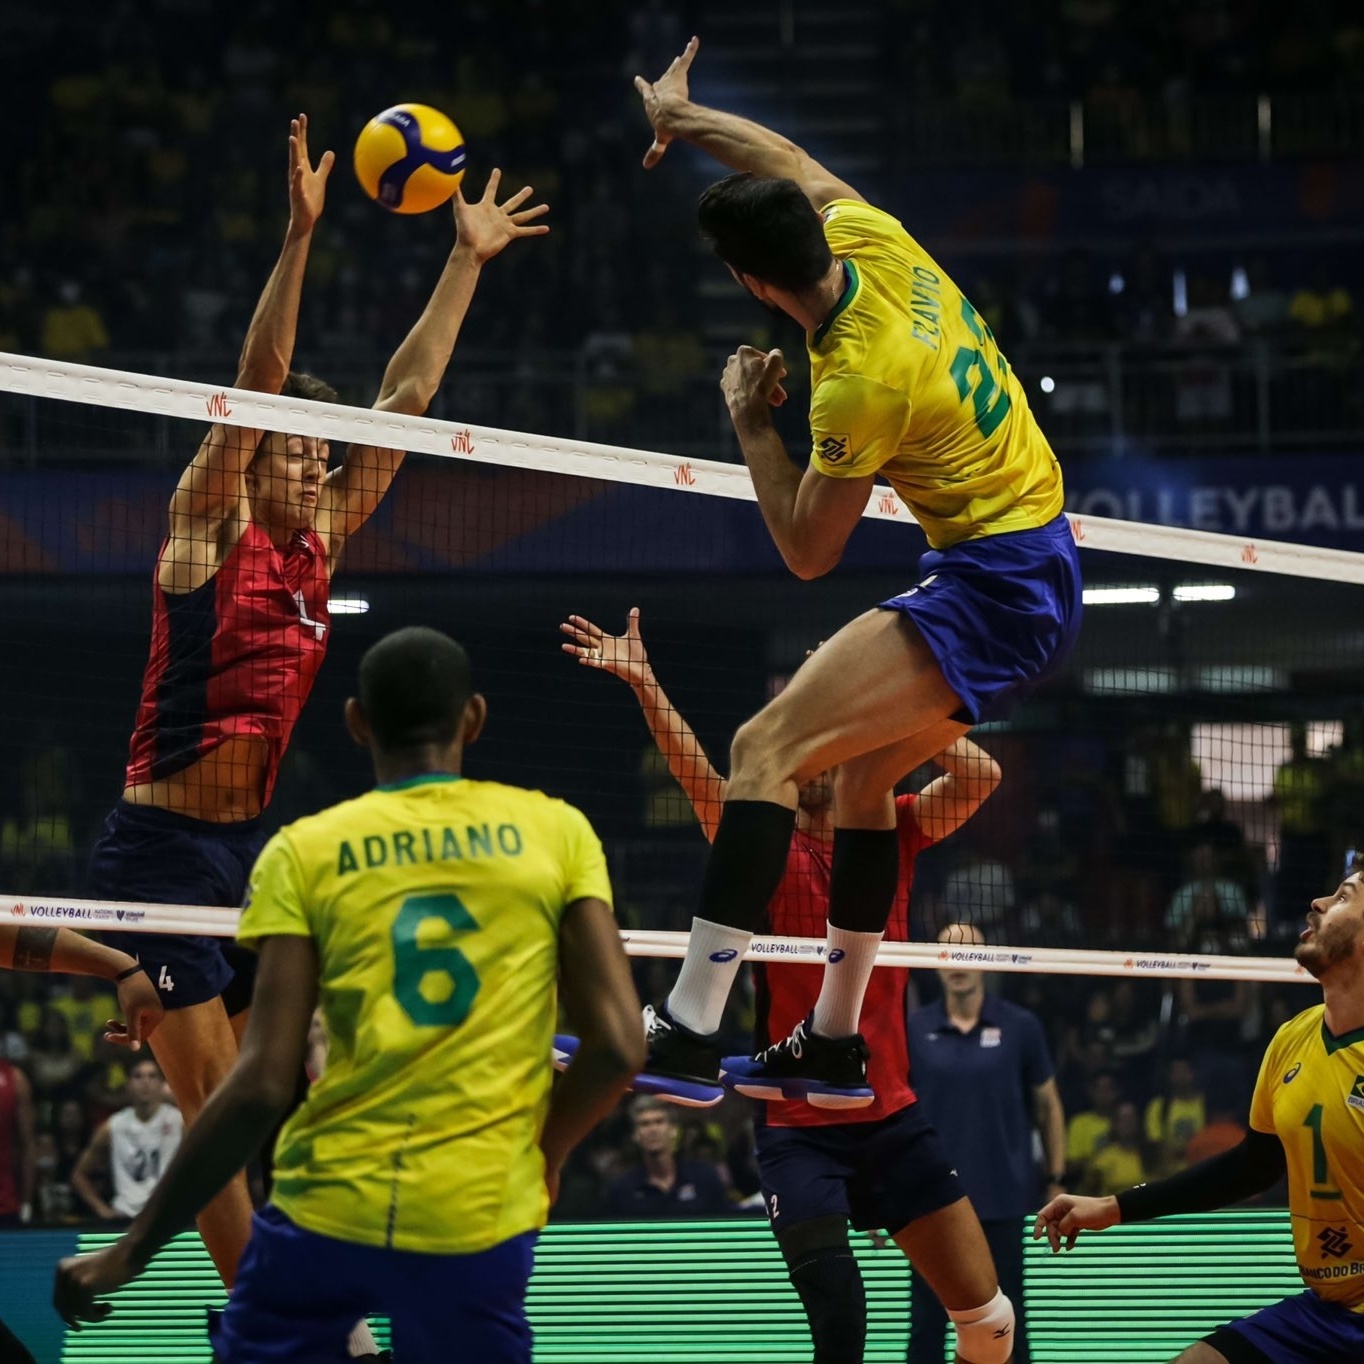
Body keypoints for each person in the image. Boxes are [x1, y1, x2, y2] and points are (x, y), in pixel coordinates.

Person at [86, 116, 548, 1299]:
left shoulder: (322, 540)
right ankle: (261, 1324)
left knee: (276, 1090)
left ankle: (288, 1285)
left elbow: (404, 393)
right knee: (210, 1097)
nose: (311, 465)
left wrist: (462, 260)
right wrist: (299, 235)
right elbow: (257, 383)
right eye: (293, 451)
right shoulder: (208, 534)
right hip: (159, 856)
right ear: (257, 459)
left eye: (317, 456)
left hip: (250, 857)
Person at [627, 37, 1081, 1104]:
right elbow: (785, 152)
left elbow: (804, 550)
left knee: (763, 746)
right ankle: (831, 1042)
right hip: (1036, 562)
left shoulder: (855, 382)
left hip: (994, 581)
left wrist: (747, 422)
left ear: (747, 283)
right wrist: (680, 118)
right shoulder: (875, 240)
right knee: (866, 781)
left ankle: (688, 1021)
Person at [54, 626, 644, 1364]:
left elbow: (259, 1084)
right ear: (475, 719)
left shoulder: (305, 850)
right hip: (478, 1205)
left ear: (357, 722)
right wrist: (544, 1155)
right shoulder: (556, 832)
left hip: (328, 1209)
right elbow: (620, 1047)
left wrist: (132, 1249)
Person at [560, 609, 1015, 1364]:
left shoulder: (897, 827)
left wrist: (879, 700)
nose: (816, 766)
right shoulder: (768, 845)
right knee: (840, 1323)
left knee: (990, 1326)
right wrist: (646, 686)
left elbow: (981, 776)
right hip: (797, 1127)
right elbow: (703, 780)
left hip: (890, 1116)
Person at [1034, 857, 1364, 1364]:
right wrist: (1114, 1207)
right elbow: (1252, 1166)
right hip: (1323, 1314)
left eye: (1344, 896)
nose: (1318, 903)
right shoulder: (1292, 1039)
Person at [906, 924, 1068, 1364]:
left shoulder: (1020, 1026)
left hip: (1002, 1199)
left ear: (987, 959)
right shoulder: (913, 1029)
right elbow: (891, 1116)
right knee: (925, 1327)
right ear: (935, 964)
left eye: (968, 951)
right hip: (929, 1204)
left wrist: (1055, 1177)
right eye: (949, 953)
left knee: (1007, 1322)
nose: (958, 962)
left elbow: (1048, 1104)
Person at [71, 1057, 183, 1223]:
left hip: (166, 1216)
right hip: (124, 1217)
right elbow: (79, 1175)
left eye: (152, 1076)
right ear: (128, 1085)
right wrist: (102, 1210)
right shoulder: (114, 1126)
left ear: (162, 1084)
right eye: (138, 1076)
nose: (145, 1082)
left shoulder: (179, 1121)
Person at [606, 1096, 731, 1219]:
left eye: (659, 1121)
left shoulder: (705, 1178)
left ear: (673, 1130)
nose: (653, 1130)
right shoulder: (622, 1189)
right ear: (635, 1134)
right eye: (645, 1124)